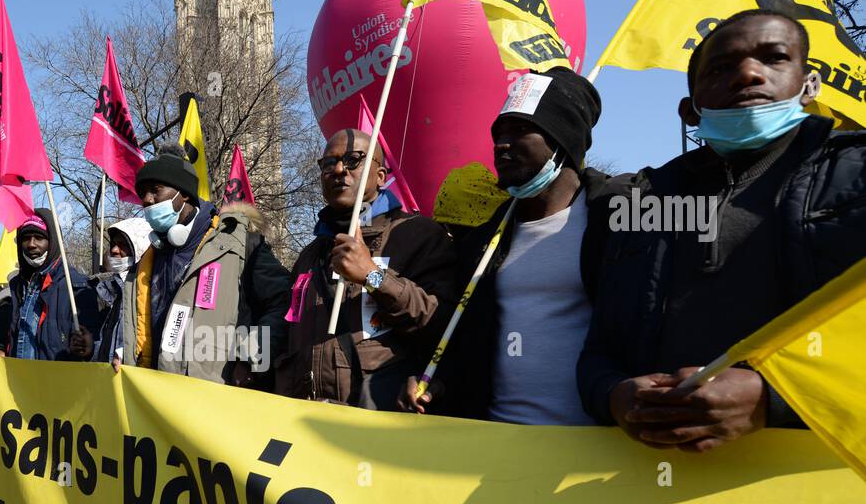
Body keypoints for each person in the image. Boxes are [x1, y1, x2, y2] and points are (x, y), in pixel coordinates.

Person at [579, 8, 866, 452]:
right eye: (721, 68)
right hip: (648, 494)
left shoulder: (857, 177)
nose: (748, 74)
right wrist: (614, 396)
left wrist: (776, 400)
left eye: (773, 58)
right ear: (691, 108)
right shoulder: (644, 200)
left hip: (827, 492)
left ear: (810, 85)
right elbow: (600, 351)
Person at [399, 67, 628, 422]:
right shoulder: (482, 243)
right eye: (498, 133)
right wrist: (440, 383)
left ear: (563, 140)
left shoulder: (621, 218)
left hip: (597, 447)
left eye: (520, 130)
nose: (501, 144)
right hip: (499, 446)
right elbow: (471, 344)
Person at [276, 129, 457, 409]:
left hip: (378, 424)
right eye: (329, 163)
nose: (338, 170)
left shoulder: (417, 236)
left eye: (353, 160)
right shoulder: (309, 257)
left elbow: (442, 323)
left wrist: (373, 276)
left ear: (382, 176)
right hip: (308, 425)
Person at [110, 146, 292, 384]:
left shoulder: (241, 245)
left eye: (155, 190)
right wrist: (126, 357)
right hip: (152, 402)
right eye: (142, 193)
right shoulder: (145, 263)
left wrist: (250, 359)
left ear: (184, 194)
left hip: (216, 404)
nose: (146, 199)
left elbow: (283, 304)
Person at [0, 209, 99, 362]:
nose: (31, 245)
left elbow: (92, 345)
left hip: (58, 382)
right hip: (19, 381)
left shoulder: (76, 285)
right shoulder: (18, 286)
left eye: (39, 238)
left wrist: (87, 349)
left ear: (53, 241)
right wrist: (2, 349)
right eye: (26, 238)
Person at [87, 217, 152, 361]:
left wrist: (127, 356)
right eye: (113, 244)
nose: (115, 250)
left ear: (140, 246)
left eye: (123, 244)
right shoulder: (114, 292)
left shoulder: (152, 292)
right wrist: (90, 350)